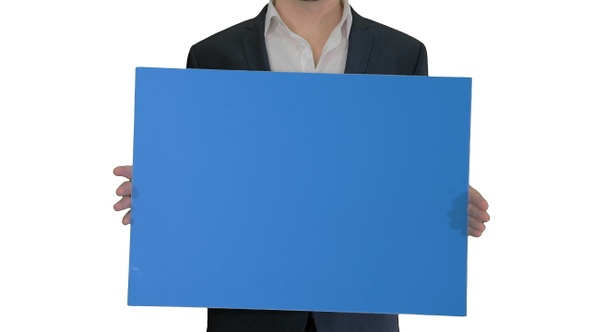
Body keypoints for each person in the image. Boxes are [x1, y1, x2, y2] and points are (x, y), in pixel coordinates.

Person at [113, 0, 491, 331]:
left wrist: (444, 203)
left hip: (361, 311)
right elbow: (210, 182)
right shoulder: (212, 54)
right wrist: (165, 193)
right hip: (248, 310)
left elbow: (407, 176)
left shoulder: (402, 54)